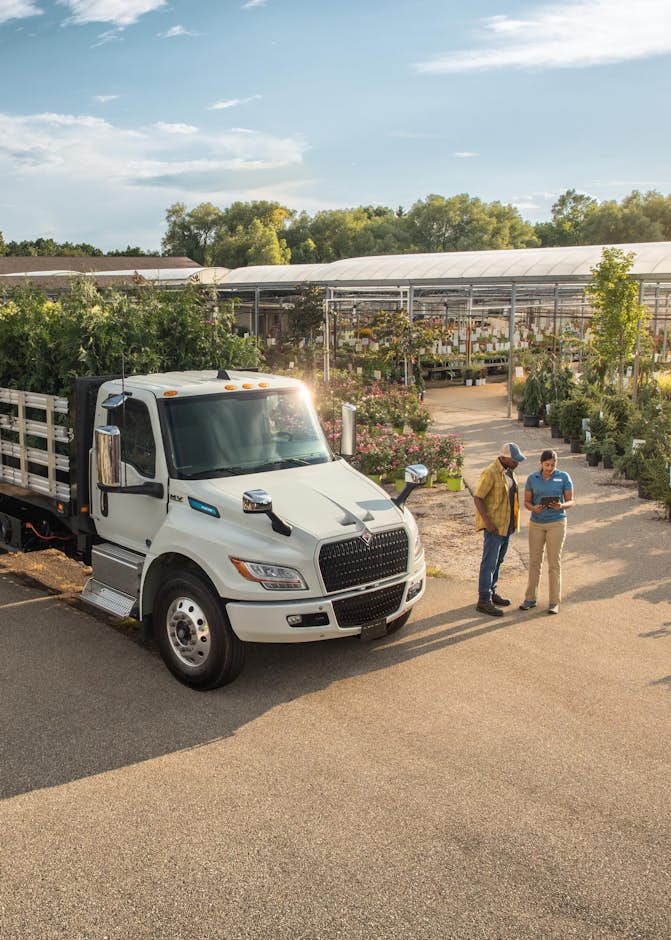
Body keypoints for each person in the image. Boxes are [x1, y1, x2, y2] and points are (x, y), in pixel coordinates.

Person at [473, 442, 526, 617]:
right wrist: (487, 523)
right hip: (494, 527)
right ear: (504, 458)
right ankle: (483, 600)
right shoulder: (491, 472)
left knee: (498, 561)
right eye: (514, 460)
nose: (517, 462)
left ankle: (492, 592)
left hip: (507, 526)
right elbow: (478, 497)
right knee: (489, 563)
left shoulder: (509, 471)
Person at [519, 449, 574, 615]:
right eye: (547, 464)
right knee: (535, 561)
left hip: (556, 523)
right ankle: (530, 598)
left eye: (552, 465)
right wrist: (533, 508)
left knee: (554, 563)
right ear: (541, 463)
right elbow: (527, 502)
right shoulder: (532, 478)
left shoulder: (564, 477)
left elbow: (571, 500)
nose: (550, 468)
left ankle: (554, 602)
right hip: (536, 524)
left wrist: (561, 505)